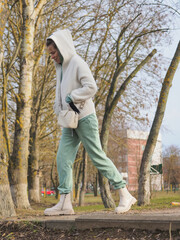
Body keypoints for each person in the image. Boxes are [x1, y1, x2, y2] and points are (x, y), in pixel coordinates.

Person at [44, 29, 136, 216]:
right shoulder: (60, 68)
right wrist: (58, 107)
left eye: (54, 52)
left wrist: (72, 97)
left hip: (85, 117)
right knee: (63, 158)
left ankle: (124, 193)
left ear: (62, 48)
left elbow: (91, 87)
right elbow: (60, 94)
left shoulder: (77, 62)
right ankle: (65, 202)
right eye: (50, 53)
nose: (52, 57)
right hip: (70, 121)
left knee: (97, 156)